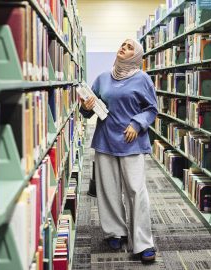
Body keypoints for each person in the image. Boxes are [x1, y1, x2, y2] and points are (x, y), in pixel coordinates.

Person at [79, 39, 158, 262]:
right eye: (123, 44)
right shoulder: (103, 78)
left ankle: (143, 243)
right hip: (105, 140)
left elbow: (151, 109)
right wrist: (86, 107)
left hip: (132, 142)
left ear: (136, 56)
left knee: (136, 191)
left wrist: (137, 123)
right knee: (108, 190)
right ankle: (116, 231)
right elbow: (88, 110)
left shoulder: (143, 79)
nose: (124, 47)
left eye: (130, 47)